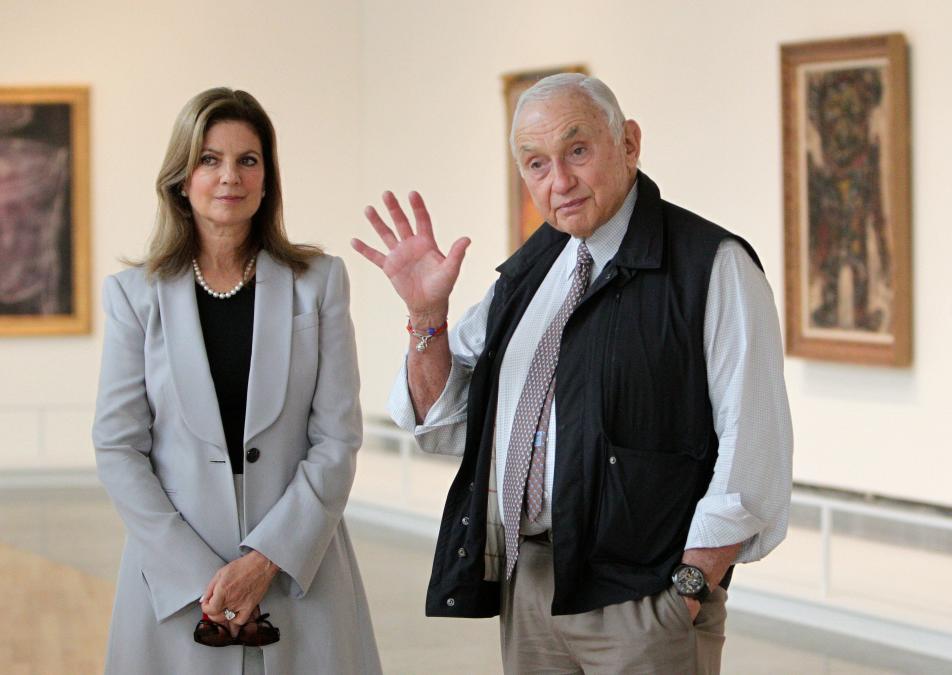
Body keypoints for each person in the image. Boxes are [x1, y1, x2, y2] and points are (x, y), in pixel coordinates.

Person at [352, 73, 792, 674]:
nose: (559, 182)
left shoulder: (713, 266)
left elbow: (754, 446)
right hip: (528, 583)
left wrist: (688, 590)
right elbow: (446, 418)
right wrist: (426, 314)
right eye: (537, 164)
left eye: (577, 151)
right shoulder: (535, 268)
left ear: (629, 144)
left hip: (646, 597)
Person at [93, 88, 381, 675]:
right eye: (210, 159)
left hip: (302, 574)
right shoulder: (133, 296)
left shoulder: (319, 283)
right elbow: (119, 446)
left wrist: (265, 560)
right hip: (175, 591)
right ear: (181, 177)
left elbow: (337, 440)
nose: (230, 176)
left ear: (268, 178)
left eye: (248, 160)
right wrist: (204, 574)